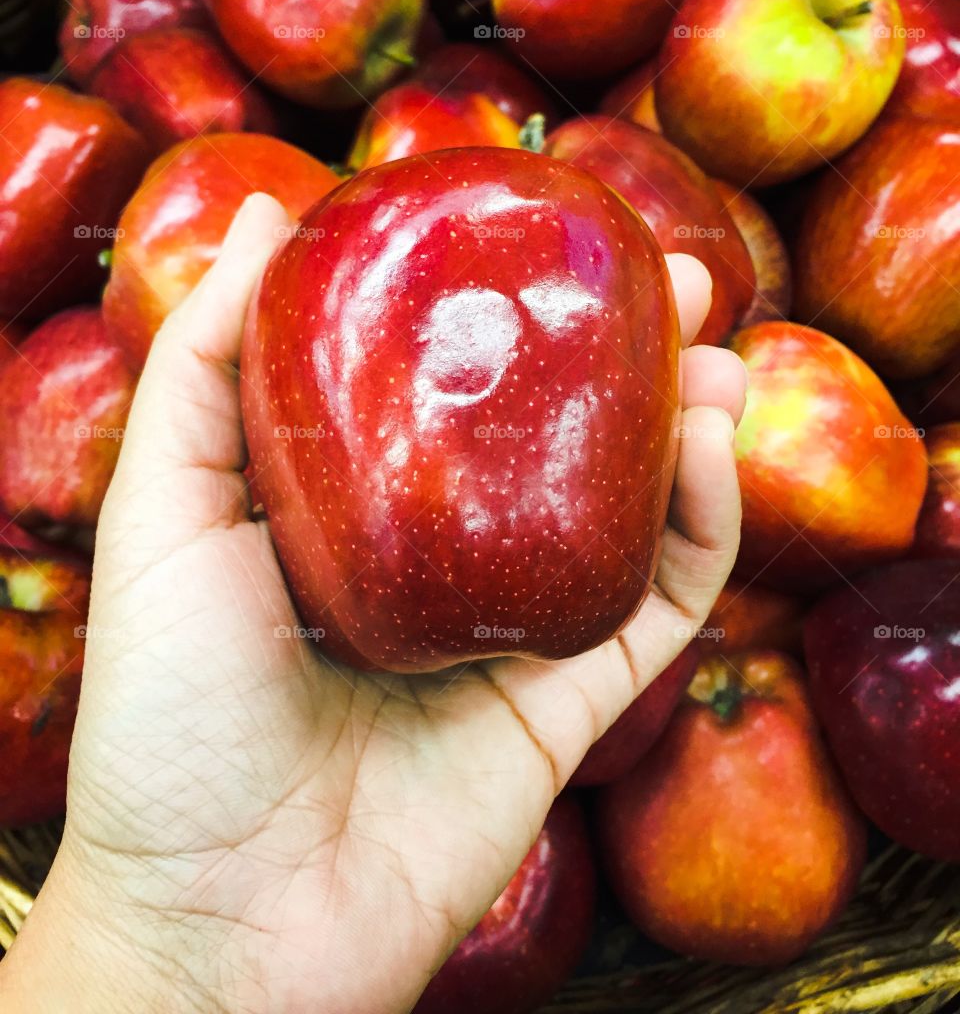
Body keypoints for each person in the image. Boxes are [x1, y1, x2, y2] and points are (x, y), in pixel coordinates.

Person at [0, 194, 746, 1013]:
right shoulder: (583, 232)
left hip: (437, 611)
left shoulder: (327, 261)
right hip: (525, 603)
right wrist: (164, 933)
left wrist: (165, 949)